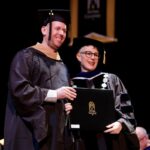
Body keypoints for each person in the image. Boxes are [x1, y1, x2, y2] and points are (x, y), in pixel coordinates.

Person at [4, 9, 77, 150]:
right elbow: (20, 91)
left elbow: (65, 97)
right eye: (57, 28)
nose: (62, 33)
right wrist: (56, 95)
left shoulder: (62, 65)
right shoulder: (26, 56)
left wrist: (67, 106)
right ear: (44, 30)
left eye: (64, 30)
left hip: (57, 136)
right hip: (29, 132)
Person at [67, 37, 140, 150]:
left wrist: (121, 124)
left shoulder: (112, 79)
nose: (93, 57)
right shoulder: (69, 83)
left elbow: (127, 110)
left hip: (111, 140)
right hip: (81, 142)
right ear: (78, 56)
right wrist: (66, 111)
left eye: (96, 54)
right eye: (88, 53)